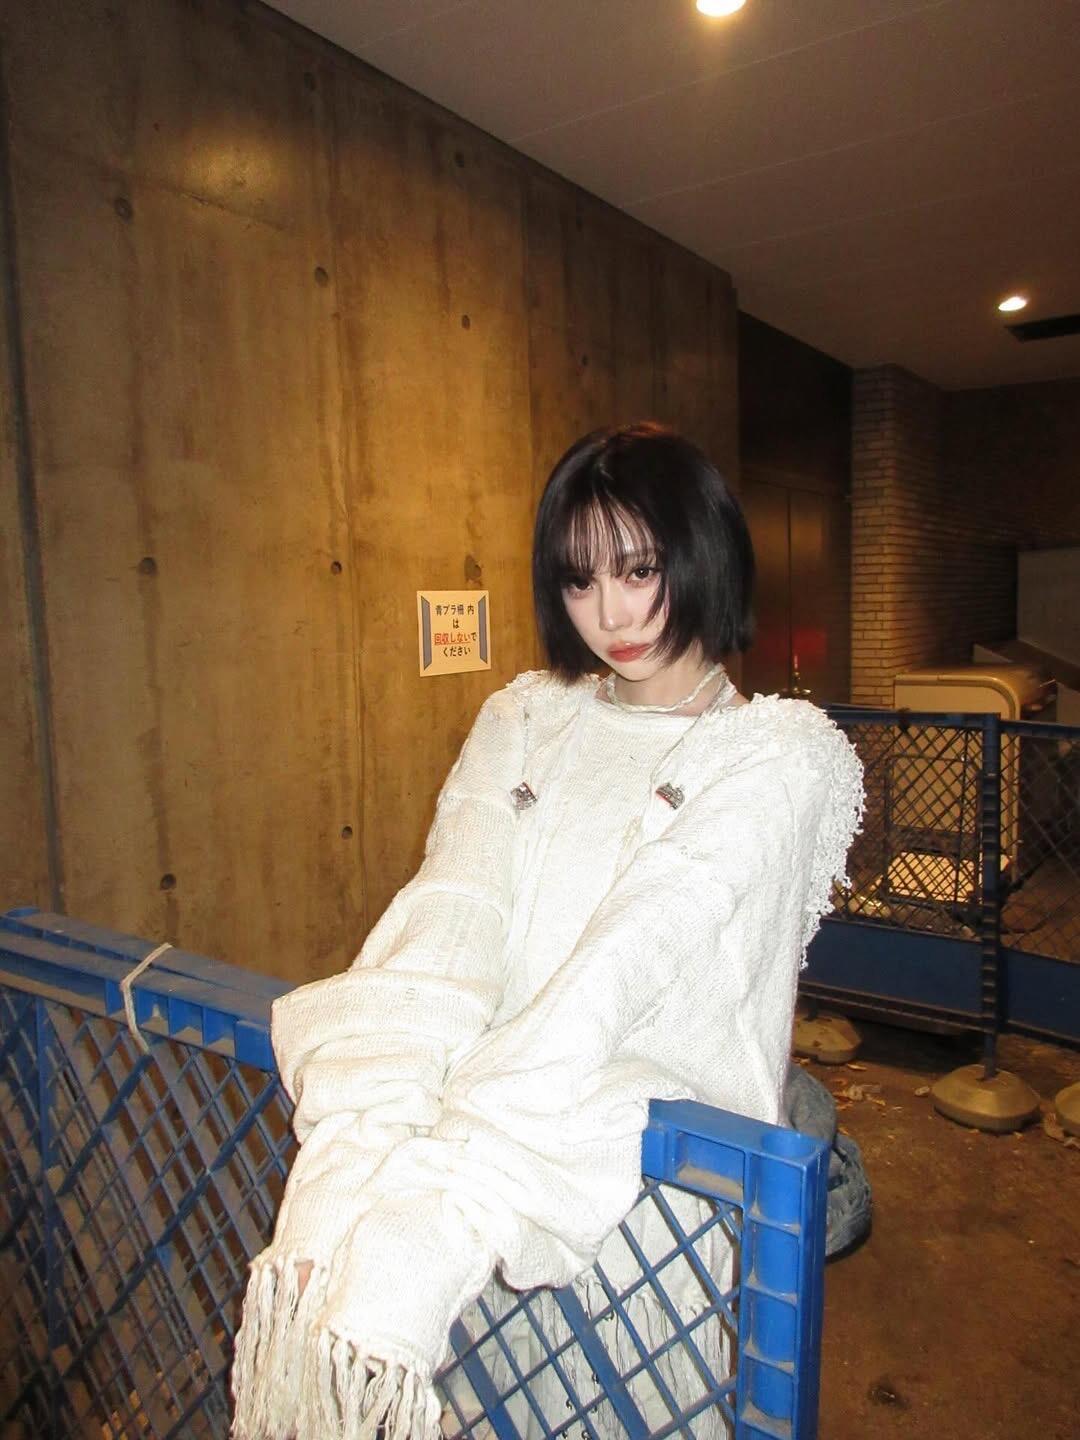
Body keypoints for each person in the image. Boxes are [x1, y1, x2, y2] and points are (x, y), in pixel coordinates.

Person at [231, 423, 864, 1440]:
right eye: (579, 580)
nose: (611, 613)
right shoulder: (524, 718)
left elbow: (632, 962)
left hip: (635, 1193)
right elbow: (453, 914)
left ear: (703, 551)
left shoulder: (777, 756)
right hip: (477, 1163)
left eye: (640, 569)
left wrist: (444, 1198)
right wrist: (361, 1153)